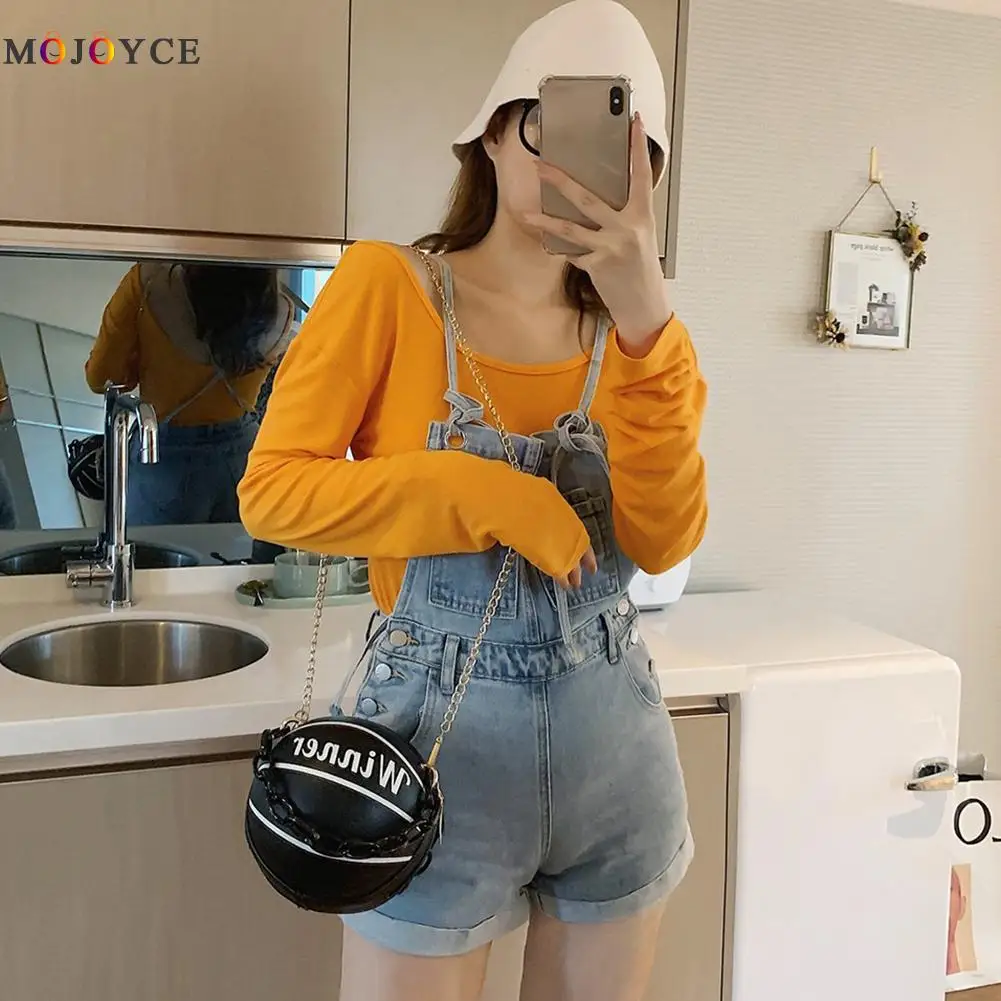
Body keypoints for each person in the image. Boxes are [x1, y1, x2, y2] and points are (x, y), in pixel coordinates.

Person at [238, 2, 708, 998]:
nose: (573, 165)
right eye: (547, 123)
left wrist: (647, 322)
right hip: (426, 747)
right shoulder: (389, 287)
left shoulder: (640, 343)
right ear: (491, 133)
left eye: (622, 145)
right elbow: (273, 493)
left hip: (615, 745)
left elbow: (662, 539)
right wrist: (479, 491)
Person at [85, 261, 295, 525]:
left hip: (163, 460)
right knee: (239, 553)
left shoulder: (148, 282)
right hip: (246, 461)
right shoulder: (280, 306)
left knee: (153, 554)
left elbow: (101, 379)